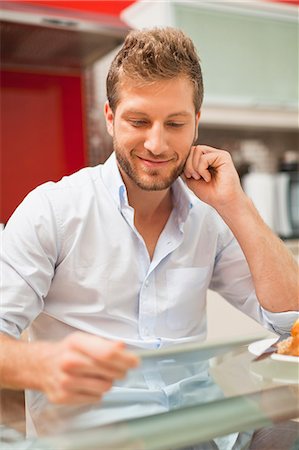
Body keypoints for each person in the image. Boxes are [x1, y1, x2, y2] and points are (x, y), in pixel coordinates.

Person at [0, 27, 298, 439]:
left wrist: (237, 205)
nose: (156, 144)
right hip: (99, 443)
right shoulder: (52, 210)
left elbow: (292, 321)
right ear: (110, 117)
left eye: (174, 123)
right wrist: (43, 364)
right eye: (138, 121)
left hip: (202, 435)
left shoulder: (209, 216)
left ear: (196, 123)